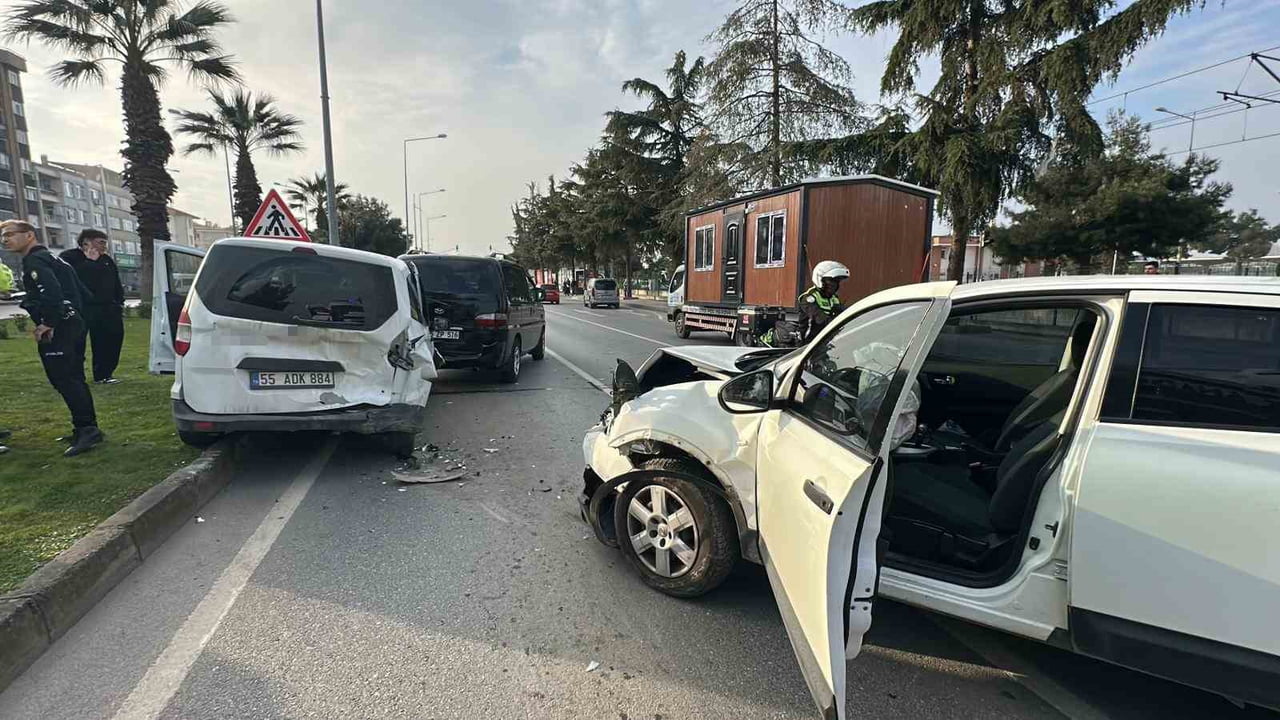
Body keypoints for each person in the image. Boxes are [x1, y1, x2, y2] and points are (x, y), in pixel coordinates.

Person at [1, 220, 104, 457]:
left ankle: (87, 430)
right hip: (73, 323)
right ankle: (85, 427)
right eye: (3, 236)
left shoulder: (35, 260)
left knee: (64, 379)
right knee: (74, 377)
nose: (5, 239)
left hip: (60, 327)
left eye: (10, 234)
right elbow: (83, 292)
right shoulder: (54, 258)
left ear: (29, 235)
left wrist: (48, 323)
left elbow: (52, 292)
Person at [61, 229, 125, 384]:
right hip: (82, 308)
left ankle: (104, 374)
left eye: (105, 242)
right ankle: (75, 377)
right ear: (86, 242)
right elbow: (72, 280)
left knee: (111, 339)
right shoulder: (69, 258)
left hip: (107, 308)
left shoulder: (106, 259)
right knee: (76, 343)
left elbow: (115, 281)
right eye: (101, 242)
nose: (104, 246)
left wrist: (119, 301)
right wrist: (90, 262)